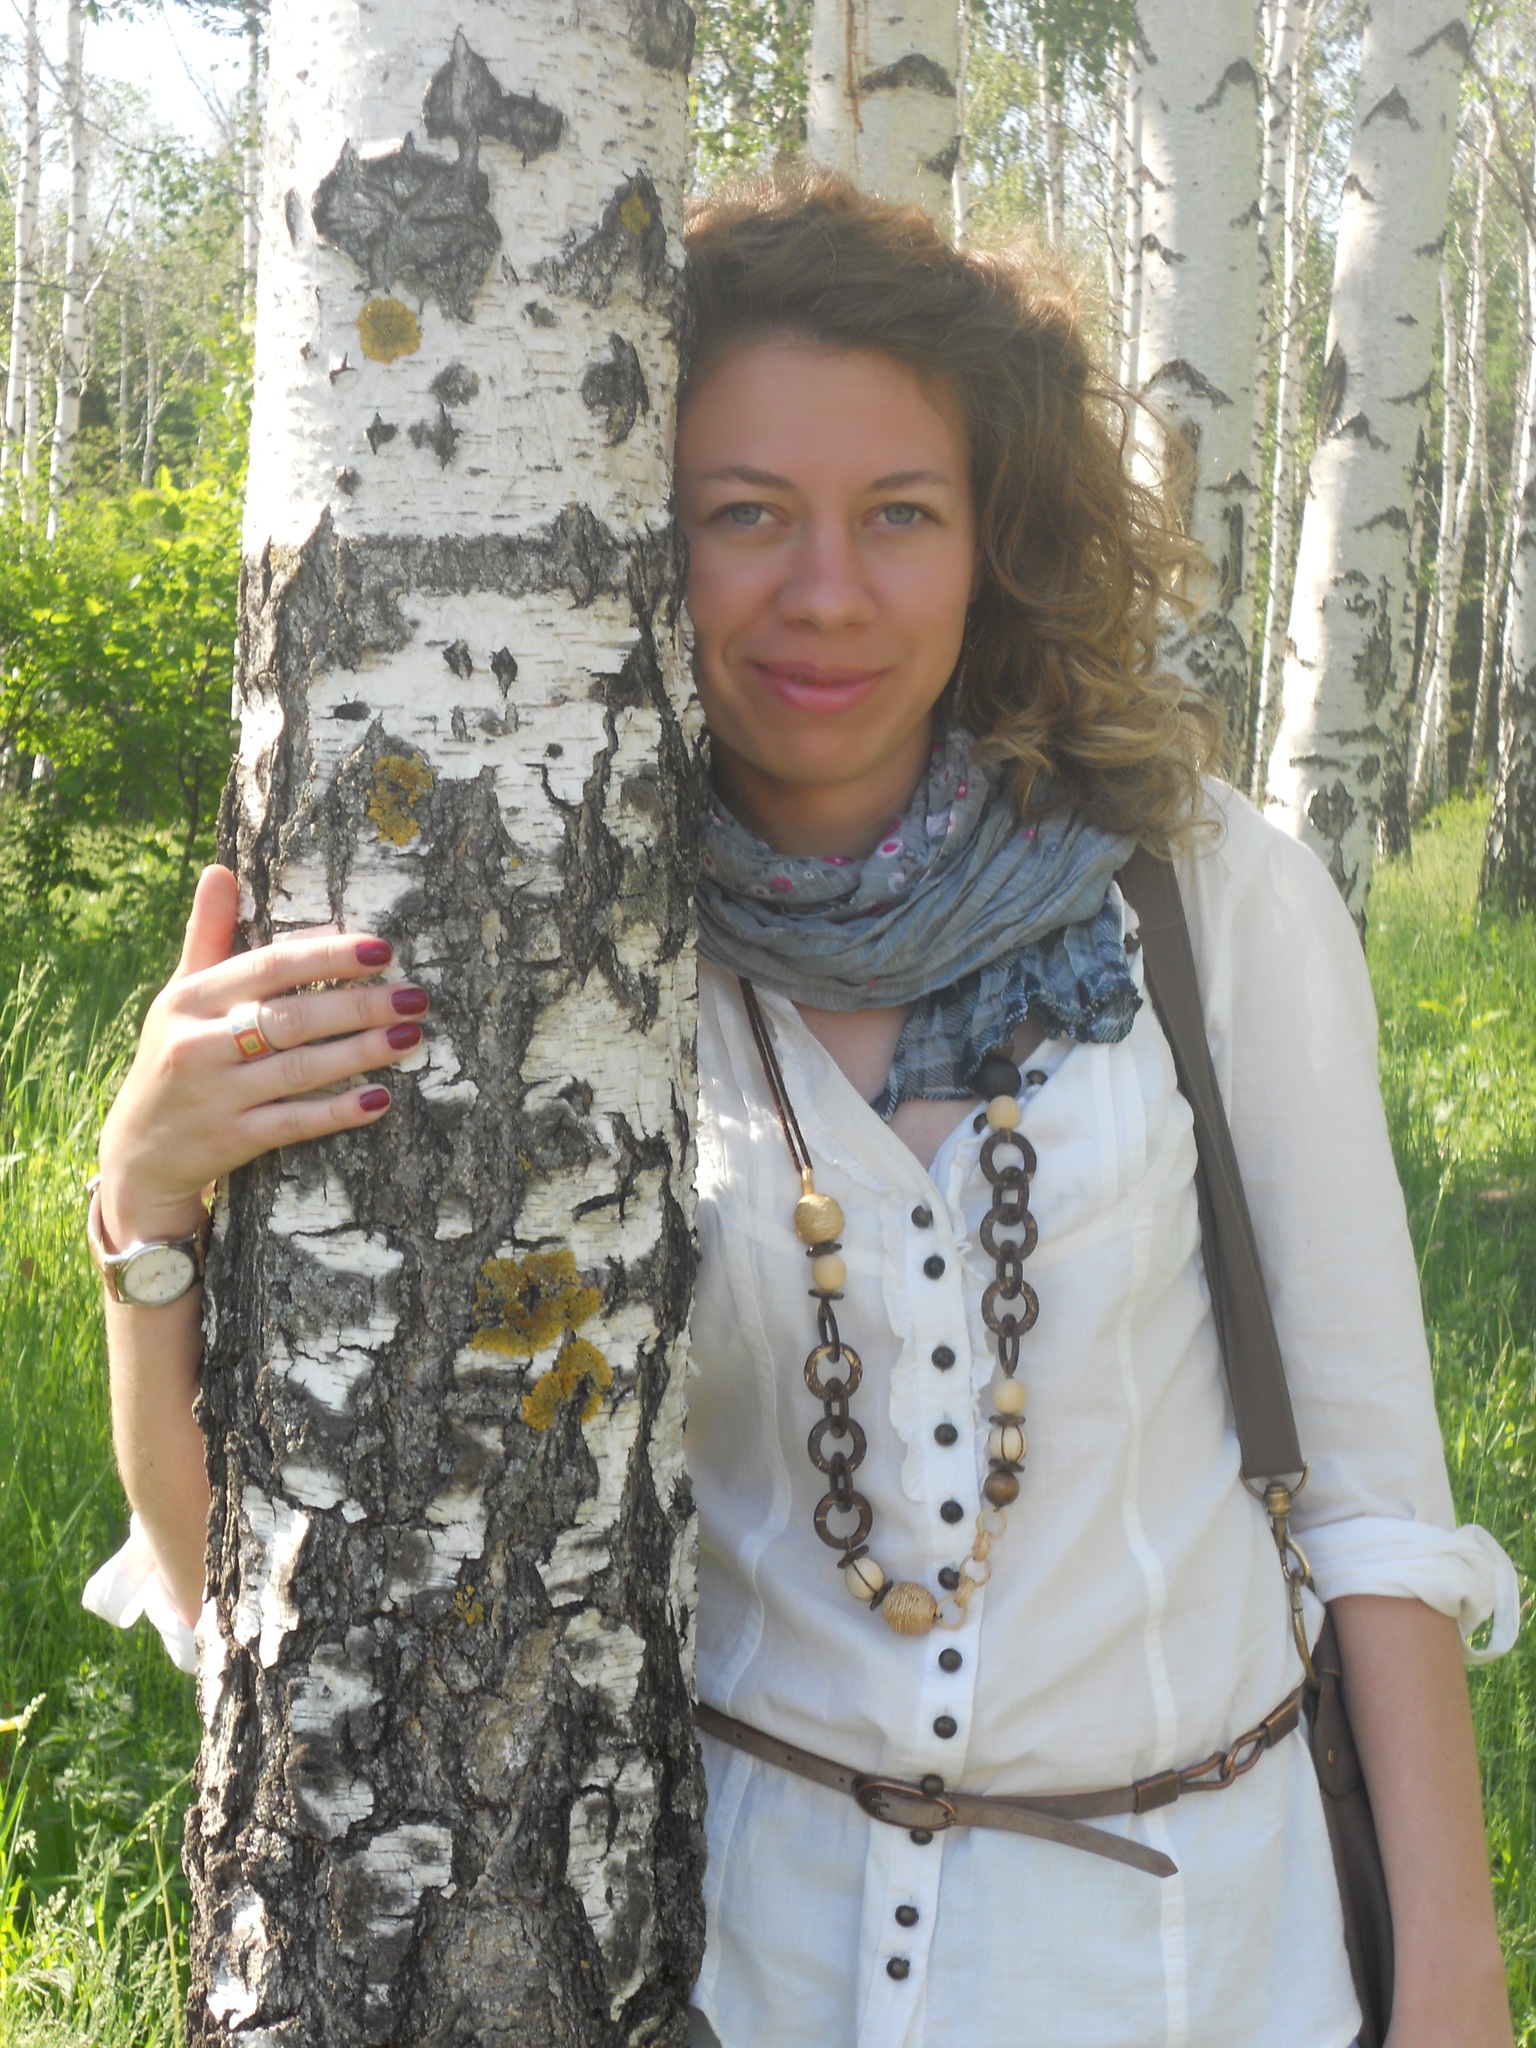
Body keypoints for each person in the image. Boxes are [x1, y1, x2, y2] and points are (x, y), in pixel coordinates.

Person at [86, 173, 1517, 2048]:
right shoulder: (561, 962)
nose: (825, 591)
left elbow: (1374, 1508)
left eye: (899, 513)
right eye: (742, 513)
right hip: (740, 1978)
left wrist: (1453, 1985)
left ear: (993, 541)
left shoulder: (1208, 898)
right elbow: (280, 1593)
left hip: (1201, 1974)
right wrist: (149, 1214)